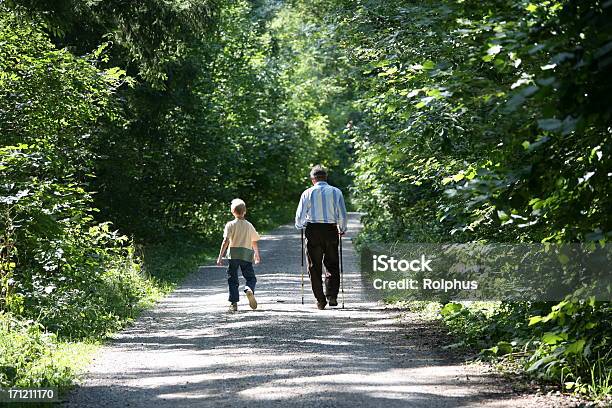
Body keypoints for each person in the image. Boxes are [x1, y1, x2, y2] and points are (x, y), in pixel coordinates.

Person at [295, 165, 348, 309]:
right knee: (332, 264)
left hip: (313, 230)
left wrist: (300, 226)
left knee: (314, 266)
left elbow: (300, 216)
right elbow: (342, 214)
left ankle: (320, 300)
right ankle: (332, 296)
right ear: (326, 177)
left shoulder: (307, 193)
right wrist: (342, 229)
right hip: (330, 229)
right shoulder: (336, 192)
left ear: (313, 179)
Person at [217, 198, 261, 312]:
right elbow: (254, 241)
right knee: (250, 277)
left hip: (233, 255)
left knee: (232, 279)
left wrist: (220, 256)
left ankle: (234, 303)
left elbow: (225, 241)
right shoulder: (249, 225)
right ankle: (249, 288)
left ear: (232, 212)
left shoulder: (230, 225)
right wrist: (257, 255)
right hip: (246, 255)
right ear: (245, 211)